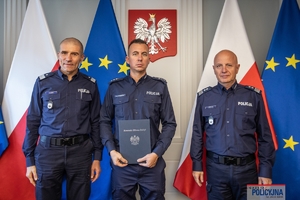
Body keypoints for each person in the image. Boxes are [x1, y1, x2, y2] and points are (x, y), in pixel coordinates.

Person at [22, 37, 103, 200]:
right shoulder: (43, 82)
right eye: (65, 53)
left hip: (80, 152)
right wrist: (29, 160)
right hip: (48, 152)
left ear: (82, 58)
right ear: (58, 55)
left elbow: (96, 122)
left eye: (74, 54)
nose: (68, 58)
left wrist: (97, 158)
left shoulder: (90, 85)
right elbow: (33, 122)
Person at [190, 49, 275, 200]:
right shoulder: (204, 98)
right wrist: (197, 164)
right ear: (214, 69)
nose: (224, 70)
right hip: (216, 170)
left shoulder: (254, 97)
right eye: (219, 66)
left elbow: (265, 136)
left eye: (229, 65)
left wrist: (265, 170)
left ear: (237, 67)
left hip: (247, 171)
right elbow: (197, 133)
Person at [100, 38, 177, 200]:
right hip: (122, 163)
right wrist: (112, 151)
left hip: (152, 163)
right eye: (135, 54)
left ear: (149, 58)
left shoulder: (160, 87)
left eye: (144, 54)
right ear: (128, 59)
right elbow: (104, 121)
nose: (140, 58)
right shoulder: (115, 87)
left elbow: (170, 123)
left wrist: (157, 153)